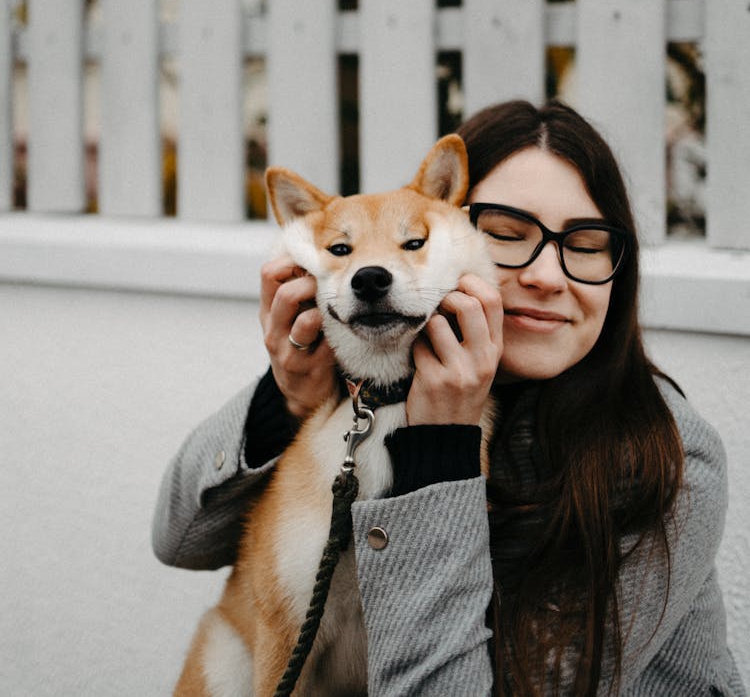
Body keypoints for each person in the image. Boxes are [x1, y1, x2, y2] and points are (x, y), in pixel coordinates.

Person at [153, 99, 745, 696]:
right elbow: (180, 539)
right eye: (507, 235)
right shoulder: (373, 378)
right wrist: (285, 400)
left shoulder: (669, 458)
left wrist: (439, 451)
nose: (547, 276)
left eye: (587, 244)